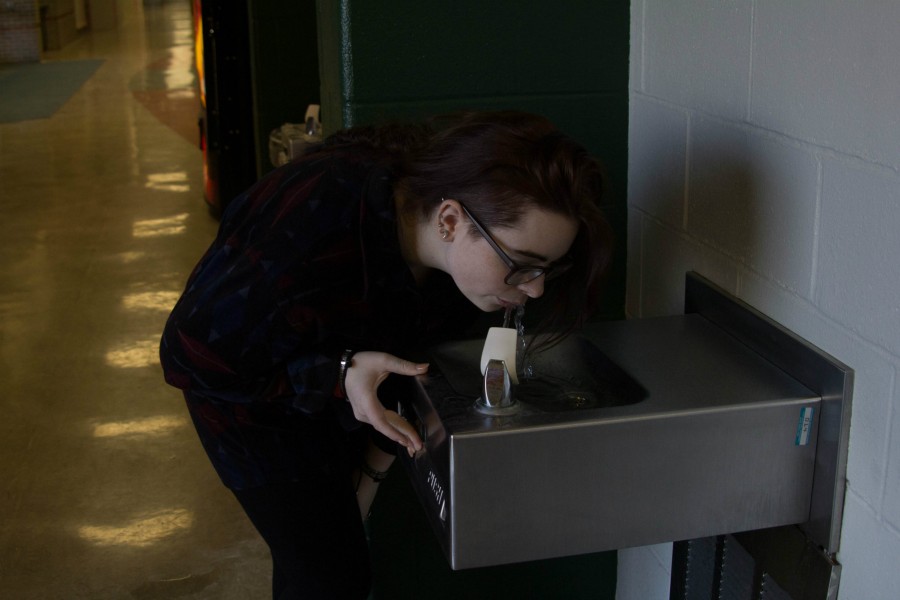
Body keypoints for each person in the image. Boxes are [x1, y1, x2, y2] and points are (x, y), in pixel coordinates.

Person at [159, 110, 613, 599]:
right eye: (523, 266)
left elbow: (405, 366)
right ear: (450, 220)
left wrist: (371, 470)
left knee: (338, 554)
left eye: (548, 269)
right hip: (243, 394)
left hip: (348, 386)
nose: (537, 289)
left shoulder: (459, 274)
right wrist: (336, 374)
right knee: (326, 572)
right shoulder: (315, 219)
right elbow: (186, 355)